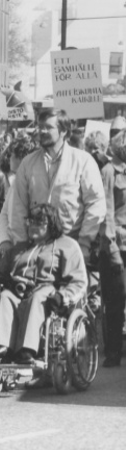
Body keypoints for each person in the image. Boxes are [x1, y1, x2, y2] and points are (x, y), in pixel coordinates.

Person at [0, 205, 88, 365]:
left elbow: (79, 281)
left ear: (52, 224)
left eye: (39, 222)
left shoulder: (67, 245)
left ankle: (27, 350)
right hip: (18, 290)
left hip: (47, 290)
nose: (33, 225)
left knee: (38, 297)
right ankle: (3, 347)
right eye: (31, 221)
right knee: (4, 296)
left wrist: (62, 296)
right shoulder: (19, 248)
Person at [7, 109, 106, 267]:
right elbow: (18, 207)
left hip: (72, 246)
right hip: (36, 248)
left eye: (48, 127)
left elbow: (95, 205)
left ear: (63, 131)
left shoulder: (83, 161)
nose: (42, 131)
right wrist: (20, 244)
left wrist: (84, 244)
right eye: (40, 127)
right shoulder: (28, 163)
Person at [98, 130, 126, 368]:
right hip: (117, 245)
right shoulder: (109, 171)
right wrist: (113, 249)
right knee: (116, 300)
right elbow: (105, 212)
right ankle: (114, 350)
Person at [0, 136, 38, 256]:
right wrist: (5, 239)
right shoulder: (15, 182)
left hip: (27, 248)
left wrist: (22, 245)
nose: (9, 158)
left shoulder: (34, 183)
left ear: (22, 157)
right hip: (11, 246)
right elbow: (4, 213)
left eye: (12, 155)